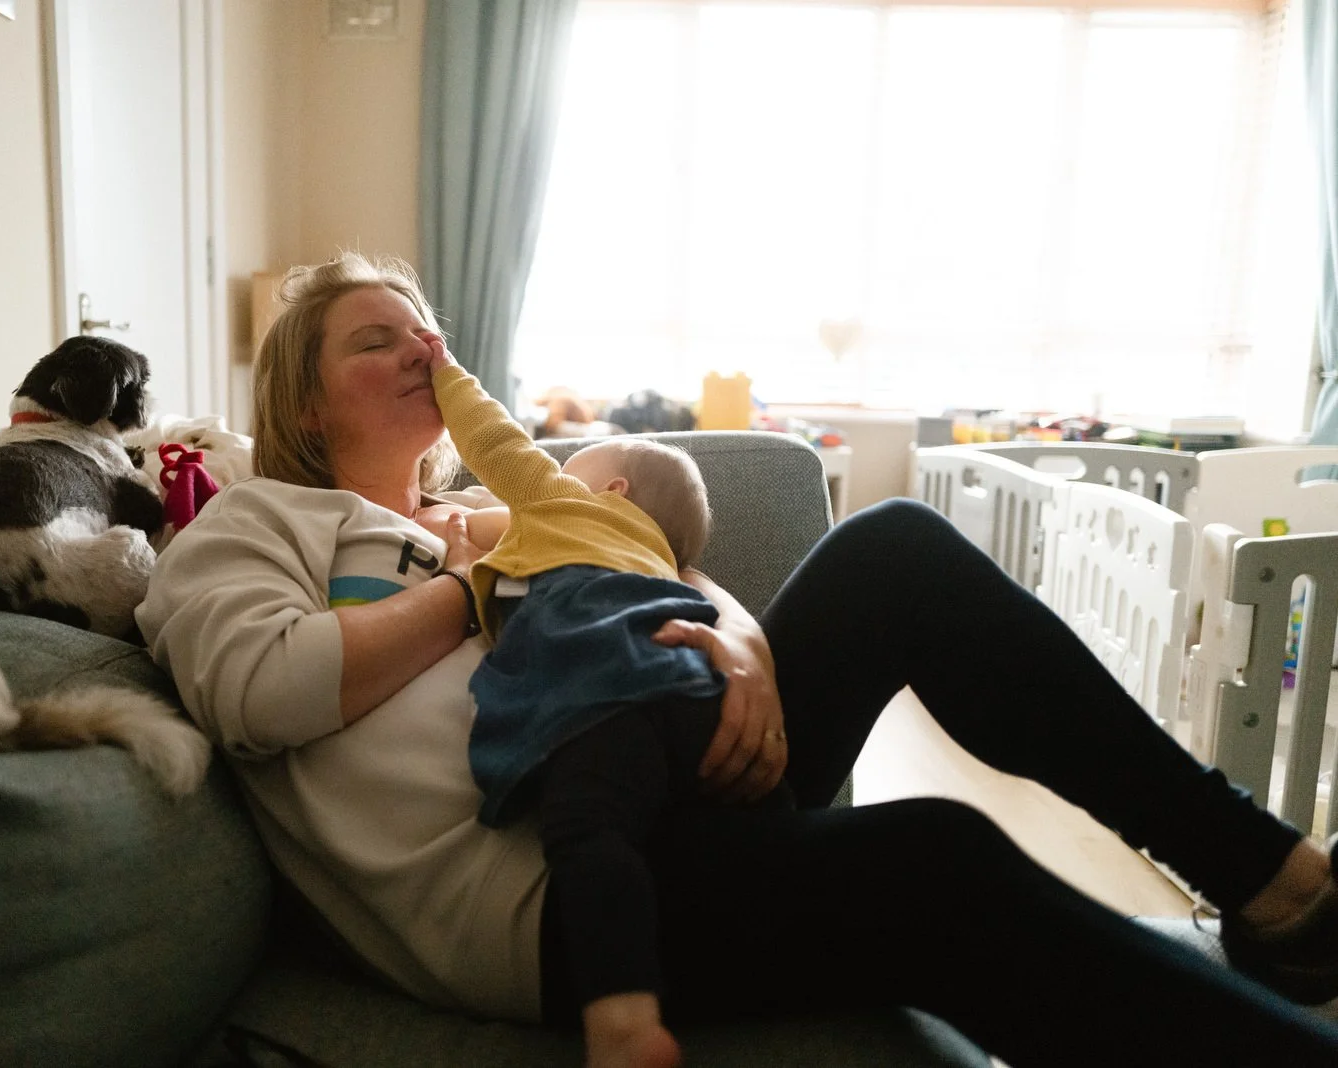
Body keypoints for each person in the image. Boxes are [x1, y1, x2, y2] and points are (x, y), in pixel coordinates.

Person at [136, 252, 1338, 1068]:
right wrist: (476, 584)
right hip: (558, 885)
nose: (419, 351)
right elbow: (266, 691)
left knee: (896, 550)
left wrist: (748, 642)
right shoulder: (250, 528)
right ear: (301, 405)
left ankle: (1278, 888)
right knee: (935, 857)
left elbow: (642, 556)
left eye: (422, 332)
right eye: (371, 342)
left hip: (678, 767)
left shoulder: (482, 511)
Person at [429, 343, 789, 1066]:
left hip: (611, 692)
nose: (549, 486)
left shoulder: (560, 505)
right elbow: (491, 530)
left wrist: (446, 372)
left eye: (568, 473)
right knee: (739, 818)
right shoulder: (653, 551)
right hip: (696, 686)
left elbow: (494, 438)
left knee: (587, 832)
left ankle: (623, 1024)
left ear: (611, 490)